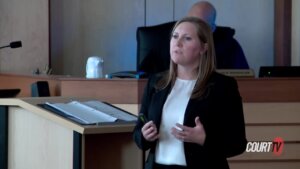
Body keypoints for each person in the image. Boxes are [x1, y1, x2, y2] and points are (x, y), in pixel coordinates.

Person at [133, 17, 247, 169]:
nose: (177, 43)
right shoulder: (156, 82)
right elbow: (138, 132)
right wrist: (144, 135)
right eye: (175, 36)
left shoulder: (222, 86)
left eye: (187, 38)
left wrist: (204, 138)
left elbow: (237, 143)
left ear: (203, 47)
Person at [138, 1, 249, 75]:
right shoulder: (165, 44)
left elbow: (245, 80)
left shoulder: (229, 46)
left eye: (200, 24)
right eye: (190, 21)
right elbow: (144, 78)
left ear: (212, 28)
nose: (192, 28)